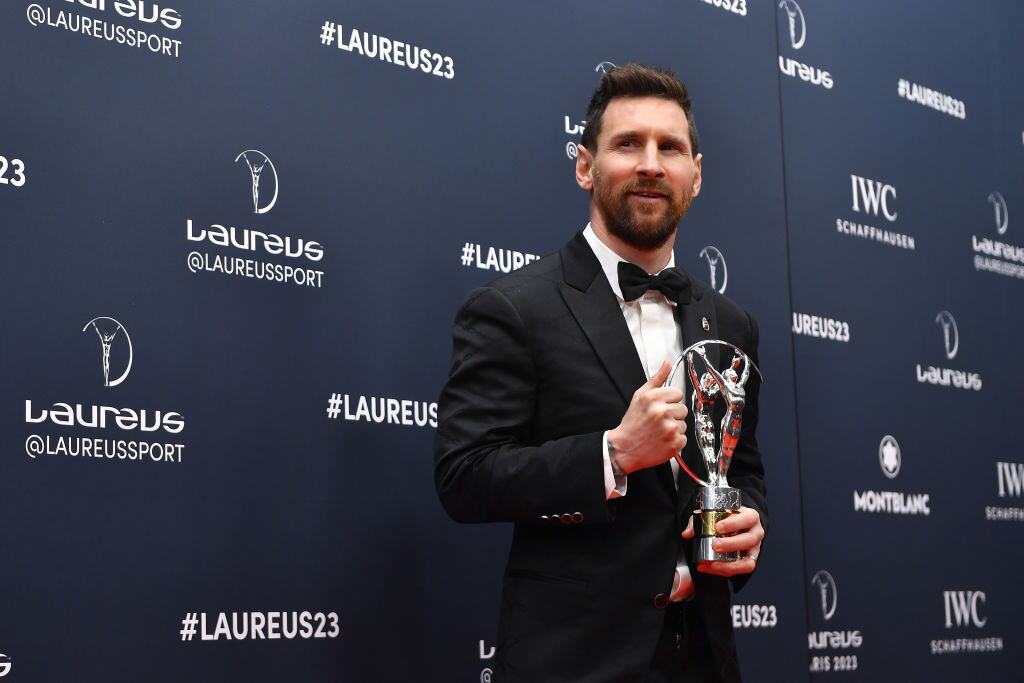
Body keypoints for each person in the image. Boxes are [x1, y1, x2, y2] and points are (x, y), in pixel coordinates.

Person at [434, 64, 767, 683]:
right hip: (571, 663)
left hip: (704, 658)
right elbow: (464, 475)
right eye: (627, 144)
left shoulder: (731, 323)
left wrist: (747, 524)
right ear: (585, 166)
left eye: (670, 148)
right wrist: (612, 454)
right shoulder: (514, 309)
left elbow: (741, 468)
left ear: (696, 175)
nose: (650, 164)